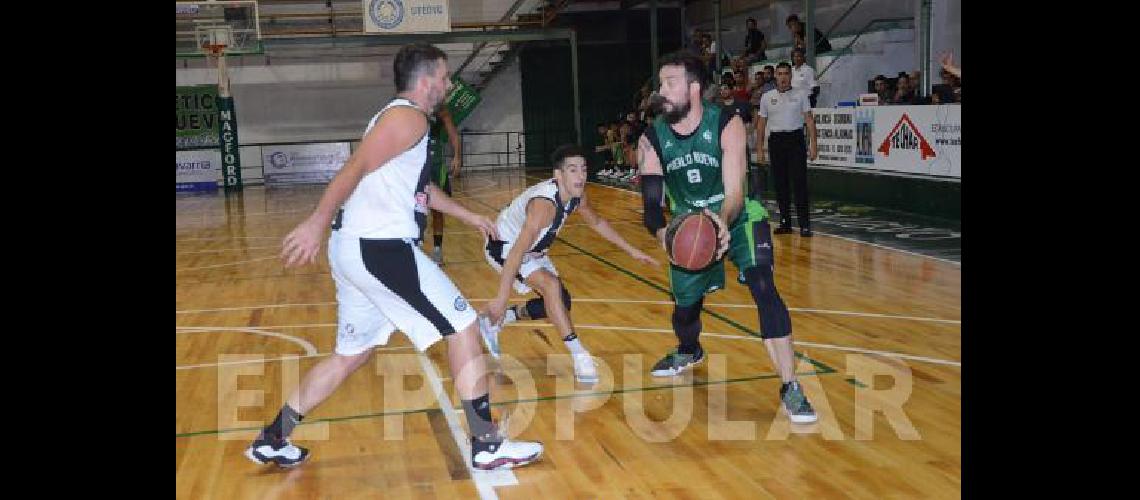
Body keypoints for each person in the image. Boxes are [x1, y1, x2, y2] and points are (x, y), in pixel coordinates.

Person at [247, 43, 543, 471]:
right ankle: (487, 443)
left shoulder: (402, 120)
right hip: (378, 248)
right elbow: (355, 166)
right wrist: (315, 219)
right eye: (443, 77)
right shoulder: (408, 117)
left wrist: (467, 215)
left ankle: (273, 437)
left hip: (357, 250)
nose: (447, 84)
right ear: (426, 81)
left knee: (352, 353)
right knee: (462, 326)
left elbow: (417, 190)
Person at [638, 51, 818, 423]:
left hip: (736, 217)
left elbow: (735, 190)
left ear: (694, 88)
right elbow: (652, 208)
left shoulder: (727, 122)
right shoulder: (652, 137)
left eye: (669, 83)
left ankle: (790, 386)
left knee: (764, 286)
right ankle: (689, 349)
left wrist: (720, 222)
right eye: (660, 84)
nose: (661, 91)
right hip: (687, 226)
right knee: (685, 309)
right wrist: (665, 235)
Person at [479, 144, 659, 383]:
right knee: (550, 286)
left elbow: (596, 222)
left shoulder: (577, 197)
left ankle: (502, 319)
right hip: (505, 246)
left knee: (560, 304)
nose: (581, 176)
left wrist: (632, 250)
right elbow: (515, 254)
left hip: (532, 249)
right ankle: (580, 356)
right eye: (573, 170)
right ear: (558, 175)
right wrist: (501, 298)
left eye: (583, 169)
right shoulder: (544, 205)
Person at [756, 62, 819, 236]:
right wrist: (760, 149)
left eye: (786, 73)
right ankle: (785, 222)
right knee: (780, 184)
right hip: (776, 141)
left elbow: (809, 120)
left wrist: (814, 145)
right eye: (780, 73)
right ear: (775, 76)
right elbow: (761, 125)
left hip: (795, 141)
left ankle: (805, 225)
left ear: (791, 76)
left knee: (800, 183)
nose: (783, 77)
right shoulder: (767, 97)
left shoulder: (801, 95)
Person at [427, 106, 462, 265]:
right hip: (415, 165)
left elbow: (453, 134)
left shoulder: (440, 109)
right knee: (412, 208)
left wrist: (457, 156)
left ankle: (437, 250)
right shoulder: (410, 106)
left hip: (435, 165)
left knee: (438, 210)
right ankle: (414, 245)